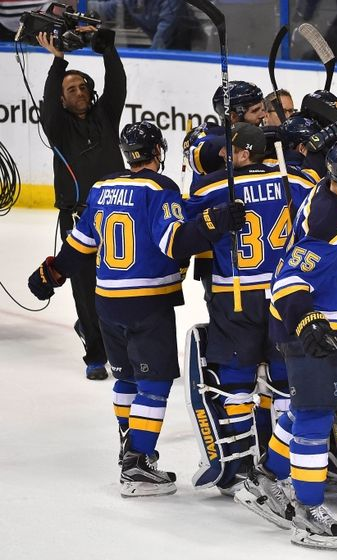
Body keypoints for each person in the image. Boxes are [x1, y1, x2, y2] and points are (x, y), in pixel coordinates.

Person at [27, 121, 245, 497]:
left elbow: (79, 246)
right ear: (158, 151)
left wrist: (51, 273)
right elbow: (175, 243)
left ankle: (128, 451)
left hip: (106, 302)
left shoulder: (102, 187)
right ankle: (138, 464)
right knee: (155, 382)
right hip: (147, 303)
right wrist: (215, 221)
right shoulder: (161, 189)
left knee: (126, 378)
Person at [235, 138, 337, 550]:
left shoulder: (331, 192)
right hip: (312, 335)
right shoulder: (330, 223)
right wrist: (309, 321)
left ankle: (263, 478)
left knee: (304, 411)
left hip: (332, 327)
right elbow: (287, 281)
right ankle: (307, 511)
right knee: (314, 419)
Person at [185, 123, 314, 496]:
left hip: (235, 296)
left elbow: (182, 229)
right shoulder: (297, 181)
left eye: (230, 152)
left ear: (241, 154)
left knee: (236, 385)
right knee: (284, 387)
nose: (224, 157)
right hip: (285, 295)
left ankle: (240, 464)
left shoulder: (213, 187)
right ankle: (280, 467)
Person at [37, 27, 126, 381]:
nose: (79, 93)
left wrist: (107, 50)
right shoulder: (57, 128)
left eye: (83, 87)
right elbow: (47, 99)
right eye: (71, 90)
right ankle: (95, 352)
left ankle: (114, 340)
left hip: (118, 216)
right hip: (78, 220)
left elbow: (117, 84)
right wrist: (59, 61)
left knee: (120, 283)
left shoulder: (106, 116)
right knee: (85, 288)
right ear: (61, 99)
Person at [88, 0, 198, 50]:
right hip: (169, 50)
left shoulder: (171, 2)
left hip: (196, 48)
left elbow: (162, 39)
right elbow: (103, 10)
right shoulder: (131, 2)